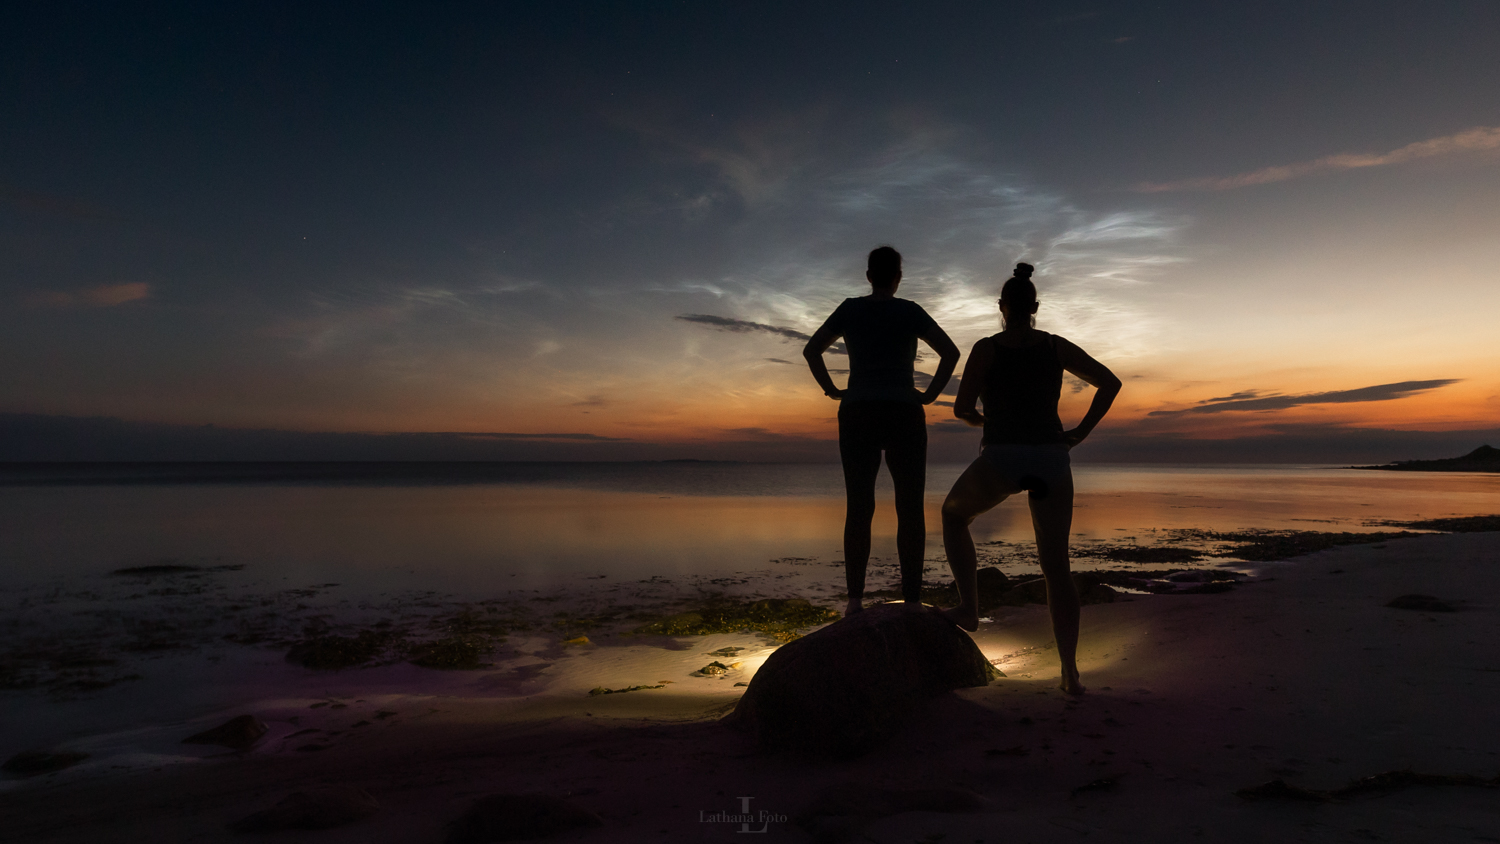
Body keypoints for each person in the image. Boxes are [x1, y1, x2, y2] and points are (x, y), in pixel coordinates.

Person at [941, 262, 1120, 695]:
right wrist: (1079, 433)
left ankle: (968, 608)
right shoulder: (1055, 346)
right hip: (1051, 460)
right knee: (1056, 567)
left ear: (1001, 308)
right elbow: (1109, 383)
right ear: (1035, 307)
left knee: (953, 516)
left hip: (1003, 457)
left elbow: (961, 409)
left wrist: (984, 419)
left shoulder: (985, 349)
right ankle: (1069, 673)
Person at [804, 246, 960, 618]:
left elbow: (812, 350)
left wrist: (832, 389)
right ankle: (911, 601)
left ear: (869, 275)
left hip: (858, 411)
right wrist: (930, 395)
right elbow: (950, 353)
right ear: (898, 277)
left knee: (859, 507)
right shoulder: (910, 312)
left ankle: (855, 602)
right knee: (910, 508)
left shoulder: (850, 309)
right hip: (904, 411)